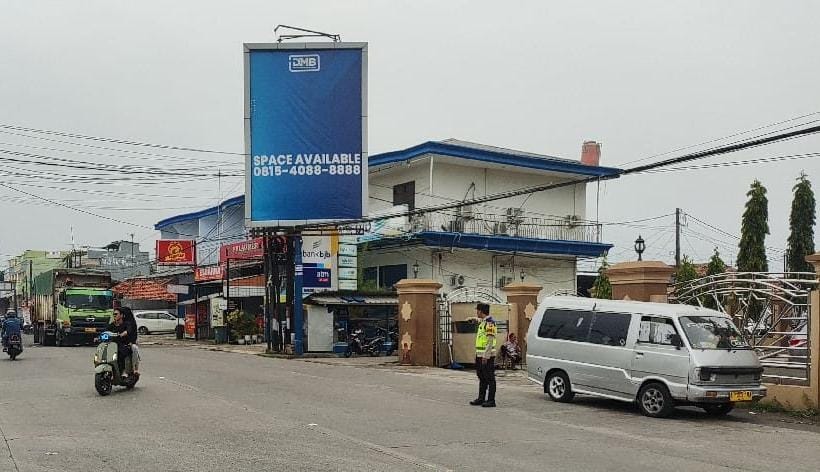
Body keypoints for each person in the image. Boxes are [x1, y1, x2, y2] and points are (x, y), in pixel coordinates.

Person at [470, 303, 497, 408]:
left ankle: (491, 400)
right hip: (480, 354)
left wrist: (486, 356)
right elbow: (478, 320)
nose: (476, 312)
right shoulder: (483, 322)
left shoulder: (490, 323)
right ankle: (481, 398)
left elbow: (490, 341)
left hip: (487, 356)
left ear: (481, 311)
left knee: (489, 378)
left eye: (477, 310)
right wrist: (472, 319)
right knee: (481, 377)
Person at [107, 308, 136, 377]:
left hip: (124, 344)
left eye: (116, 314)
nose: (114, 315)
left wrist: (123, 333)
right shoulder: (112, 325)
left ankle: (125, 371)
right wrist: (98, 337)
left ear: (122, 315)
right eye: (113, 314)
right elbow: (106, 331)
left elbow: (128, 330)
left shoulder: (126, 324)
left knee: (123, 353)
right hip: (113, 344)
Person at [120, 307, 140, 375]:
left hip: (130, 342)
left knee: (134, 349)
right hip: (119, 342)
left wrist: (132, 342)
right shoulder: (118, 321)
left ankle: (135, 368)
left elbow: (133, 333)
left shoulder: (131, 322)